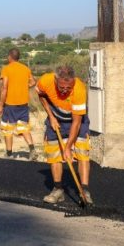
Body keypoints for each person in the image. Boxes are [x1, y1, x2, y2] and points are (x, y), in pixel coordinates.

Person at [35, 65, 93, 204]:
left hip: (76, 121)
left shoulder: (79, 89)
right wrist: (51, 116)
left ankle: (84, 192)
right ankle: (58, 190)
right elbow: (41, 94)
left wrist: (68, 147)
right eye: (62, 87)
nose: (65, 90)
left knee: (82, 153)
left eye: (69, 87)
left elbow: (76, 123)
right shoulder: (46, 80)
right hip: (55, 119)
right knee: (54, 154)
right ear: (56, 80)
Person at [0, 48, 37, 158]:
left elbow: (4, 88)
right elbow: (33, 82)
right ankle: (32, 150)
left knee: (8, 129)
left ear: (9, 57)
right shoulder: (25, 68)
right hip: (23, 104)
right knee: (24, 128)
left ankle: (9, 153)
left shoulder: (6, 69)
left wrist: (0, 105)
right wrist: (25, 87)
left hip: (10, 105)